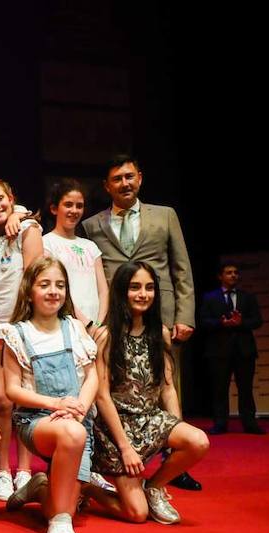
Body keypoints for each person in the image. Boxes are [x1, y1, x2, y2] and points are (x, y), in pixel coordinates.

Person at [80, 154, 200, 490]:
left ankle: (175, 458)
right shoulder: (92, 225)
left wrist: (184, 315)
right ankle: (114, 455)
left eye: (129, 177)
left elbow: (181, 268)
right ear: (107, 186)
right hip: (114, 317)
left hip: (160, 310)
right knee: (114, 386)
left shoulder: (165, 216)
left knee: (166, 384)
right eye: (117, 179)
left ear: (140, 179)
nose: (125, 183)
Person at [84, 262, 209, 525]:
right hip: (116, 428)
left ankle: (153, 487)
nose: (143, 294)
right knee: (137, 514)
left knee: (198, 441)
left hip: (149, 419)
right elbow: (102, 396)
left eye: (149, 288)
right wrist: (125, 447)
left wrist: (174, 429)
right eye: (135, 287)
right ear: (121, 292)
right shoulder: (106, 336)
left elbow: (167, 387)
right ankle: (88, 487)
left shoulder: (160, 333)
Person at [1, 257, 97, 533]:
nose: (53, 291)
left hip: (76, 420)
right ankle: (60, 521)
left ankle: (40, 489)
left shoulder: (74, 327)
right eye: (45, 285)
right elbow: (12, 390)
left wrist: (78, 408)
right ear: (29, 291)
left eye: (60, 285)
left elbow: (93, 377)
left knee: (66, 500)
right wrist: (57, 405)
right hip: (38, 421)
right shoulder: (18, 333)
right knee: (71, 434)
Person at [0, 178, 44, 500]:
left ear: (11, 198)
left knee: (23, 401)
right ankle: (2, 471)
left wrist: (21, 214)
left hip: (20, 327)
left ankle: (25, 471)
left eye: (0, 199)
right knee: (0, 401)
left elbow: (35, 276)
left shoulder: (27, 229)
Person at [200, 261, 265, 434]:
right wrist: (221, 323)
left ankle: (249, 423)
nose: (233, 275)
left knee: (246, 388)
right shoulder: (209, 297)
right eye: (229, 272)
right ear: (220, 276)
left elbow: (257, 321)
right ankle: (220, 423)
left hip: (244, 350)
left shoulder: (248, 297)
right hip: (218, 351)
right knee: (220, 389)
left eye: (236, 272)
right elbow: (203, 321)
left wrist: (241, 323)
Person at [42, 179, 109, 335]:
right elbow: (57, 289)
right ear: (54, 208)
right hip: (66, 325)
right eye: (68, 205)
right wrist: (85, 323)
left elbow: (103, 291)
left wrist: (98, 324)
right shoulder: (46, 243)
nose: (74, 210)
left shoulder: (90, 246)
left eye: (79, 206)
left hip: (97, 328)